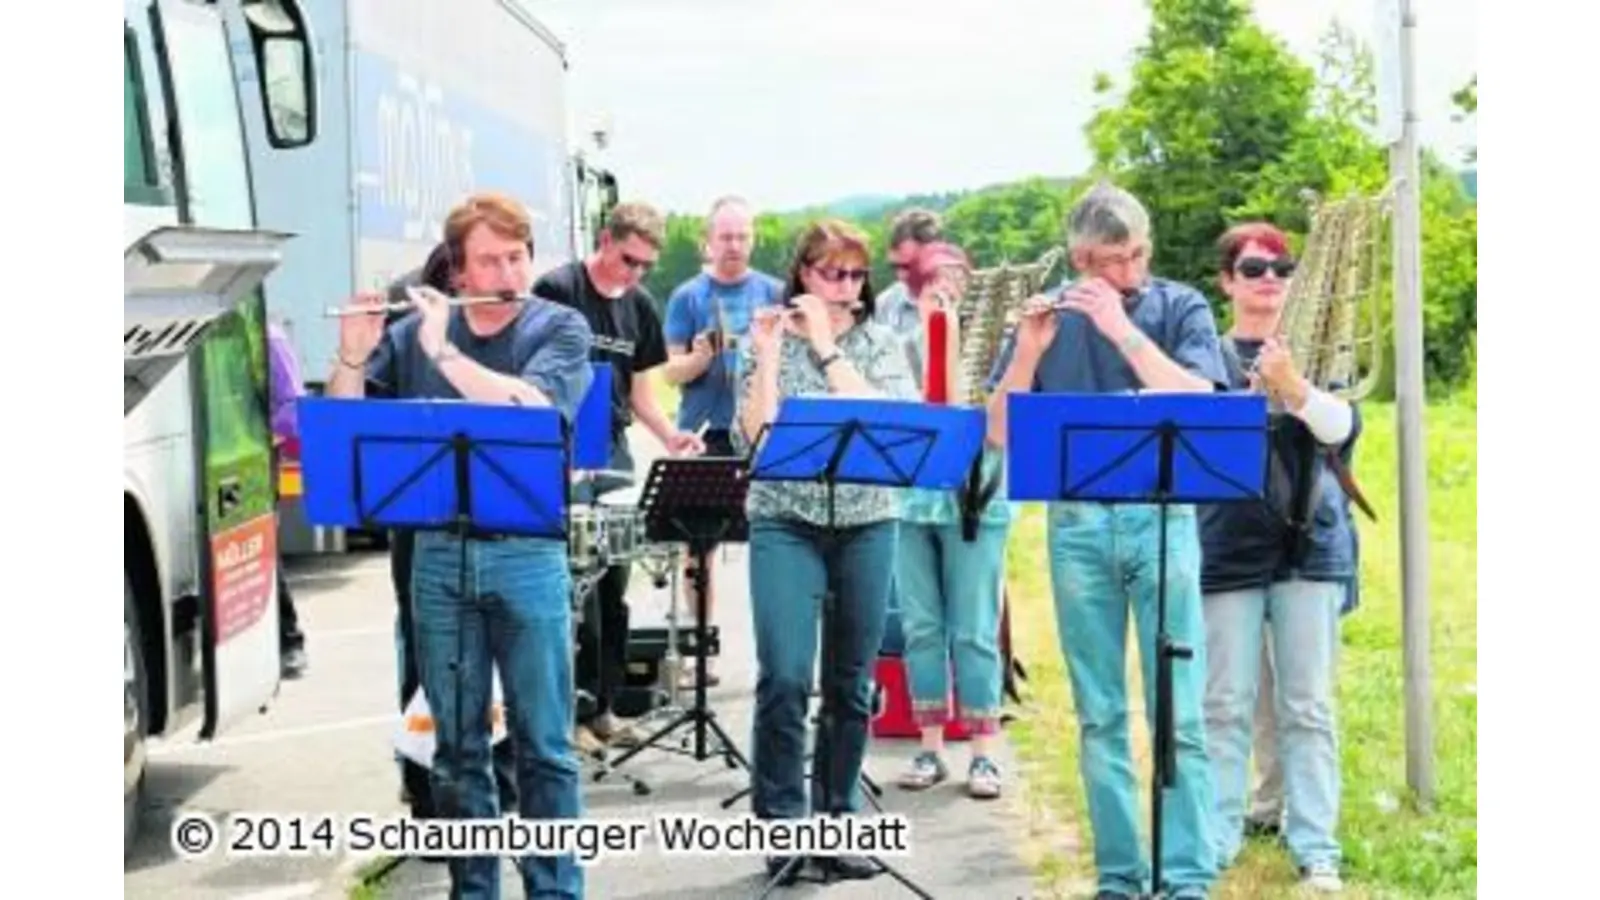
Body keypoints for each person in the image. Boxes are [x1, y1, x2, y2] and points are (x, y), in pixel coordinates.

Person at [325, 191, 595, 899]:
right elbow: (346, 432)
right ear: (457, 270)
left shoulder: (560, 326)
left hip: (527, 554)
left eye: (517, 257)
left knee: (545, 746)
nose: (508, 273)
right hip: (437, 556)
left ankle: (555, 891)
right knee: (456, 749)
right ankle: (473, 890)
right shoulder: (410, 331)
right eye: (490, 261)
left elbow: (533, 407)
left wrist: (443, 351)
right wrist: (351, 356)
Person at [984, 181, 1228, 900]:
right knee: (1100, 713)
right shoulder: (1047, 317)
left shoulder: (1179, 305)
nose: (1132, 271)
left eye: (1139, 254)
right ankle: (1119, 877)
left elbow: (1203, 400)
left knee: (1178, 708)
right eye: (1114, 261)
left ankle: (1185, 877)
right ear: (1080, 261)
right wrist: (1027, 355)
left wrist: (1123, 330)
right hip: (1078, 528)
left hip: (1164, 519)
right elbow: (998, 431)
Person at [734, 219, 919, 885]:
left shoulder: (881, 341)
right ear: (803, 276)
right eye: (831, 273)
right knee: (785, 675)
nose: (845, 286)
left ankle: (837, 822)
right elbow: (755, 438)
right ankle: (782, 828)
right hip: (785, 518)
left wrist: (826, 345)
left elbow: (892, 420)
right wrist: (768, 356)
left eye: (855, 275)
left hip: (867, 521)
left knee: (851, 683)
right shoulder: (767, 339)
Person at [1199, 221, 1360, 893]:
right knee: (1223, 705)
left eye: (1281, 268)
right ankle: (1215, 841)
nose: (1270, 279)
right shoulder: (1204, 352)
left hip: (1309, 546)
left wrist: (1293, 385)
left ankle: (1317, 846)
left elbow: (1342, 427)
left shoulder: (1321, 347)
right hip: (1227, 544)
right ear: (1227, 281)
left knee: (1308, 705)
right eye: (1253, 268)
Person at [533, 201, 704, 751]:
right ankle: (573, 711)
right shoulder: (558, 289)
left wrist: (670, 435)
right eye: (629, 259)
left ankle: (604, 706)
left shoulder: (640, 305)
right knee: (573, 591)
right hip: (561, 452)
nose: (635, 273)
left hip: (612, 451)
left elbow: (640, 392)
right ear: (605, 240)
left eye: (646, 265)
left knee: (613, 587)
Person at [380, 244, 520, 829]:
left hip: (502, 519)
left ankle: (502, 789)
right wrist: (353, 351)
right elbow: (360, 418)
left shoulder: (520, 333)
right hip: (421, 525)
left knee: (502, 665)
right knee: (424, 659)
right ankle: (429, 798)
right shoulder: (404, 337)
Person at [883, 241, 1013, 800]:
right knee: (921, 625)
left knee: (975, 628)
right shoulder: (898, 344)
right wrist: (931, 333)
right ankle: (929, 745)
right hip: (913, 499)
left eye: (956, 280)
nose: (945, 291)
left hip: (977, 497)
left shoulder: (998, 345)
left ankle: (983, 752)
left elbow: (989, 420)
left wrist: (957, 337)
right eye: (934, 281)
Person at [660, 195, 784, 688]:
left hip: (763, 435)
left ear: (753, 239)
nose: (734, 245)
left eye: (742, 236)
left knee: (778, 542)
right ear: (706, 242)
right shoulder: (687, 297)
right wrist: (697, 359)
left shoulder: (774, 292)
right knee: (698, 548)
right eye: (725, 236)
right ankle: (701, 650)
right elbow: (669, 371)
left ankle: (780, 655)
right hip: (706, 432)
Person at [265, 320, 308, 680]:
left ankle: (289, 641)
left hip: (252, 460)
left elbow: (293, 407)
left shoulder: (269, 337)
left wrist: (263, 440)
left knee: (263, 555)